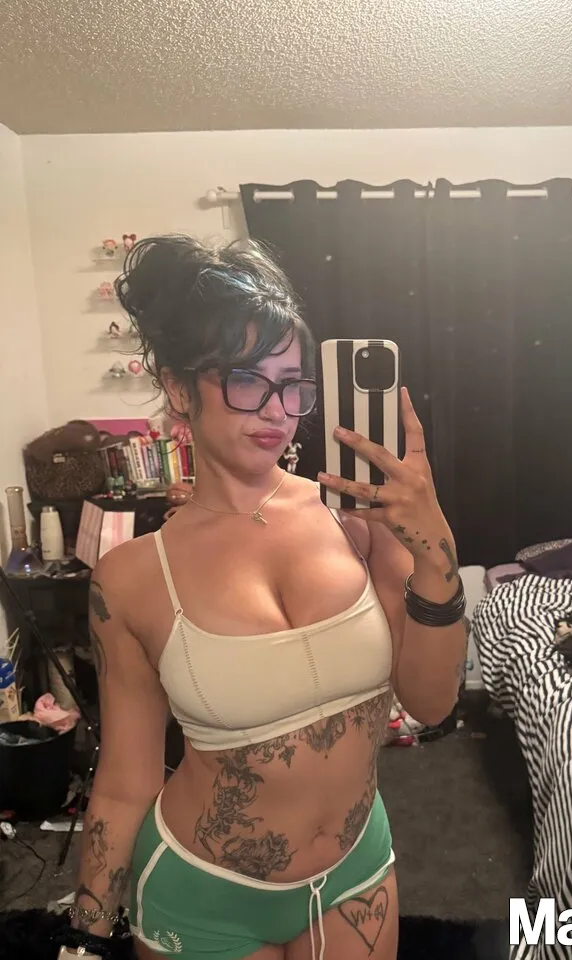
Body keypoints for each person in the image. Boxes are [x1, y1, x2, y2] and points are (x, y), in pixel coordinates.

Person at [67, 235, 468, 960]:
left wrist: (435, 549)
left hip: (356, 873)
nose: (278, 410)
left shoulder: (357, 522)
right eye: (247, 380)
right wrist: (86, 941)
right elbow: (126, 783)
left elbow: (433, 704)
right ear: (180, 389)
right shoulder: (130, 579)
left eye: (292, 384)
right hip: (202, 894)